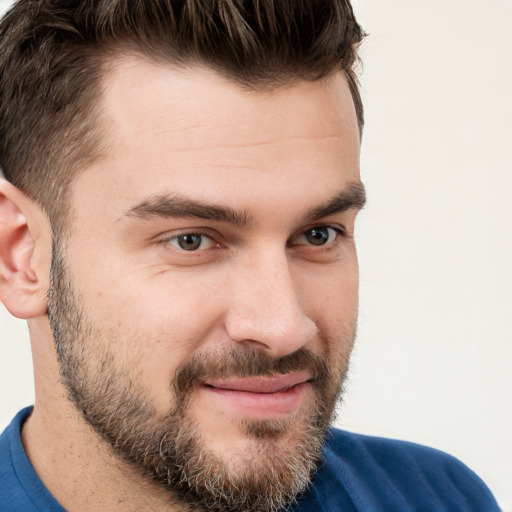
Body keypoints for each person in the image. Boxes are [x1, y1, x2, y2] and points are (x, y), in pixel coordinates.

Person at [0, 1, 500, 511]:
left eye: (319, 234)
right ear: (19, 256)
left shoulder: (436, 497)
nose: (284, 326)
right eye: (191, 240)